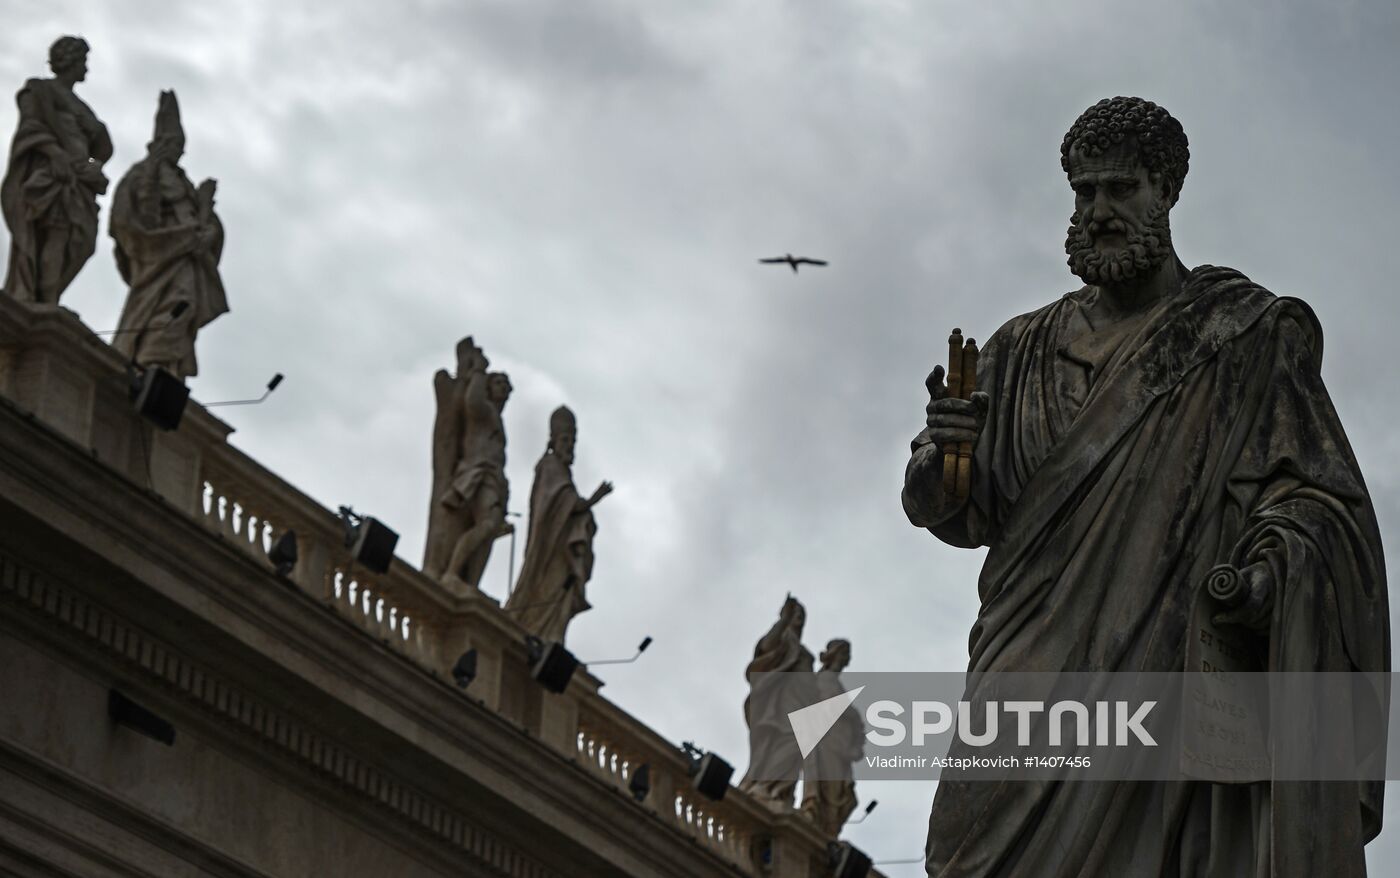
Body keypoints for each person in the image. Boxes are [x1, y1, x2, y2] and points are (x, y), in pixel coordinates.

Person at [903, 96, 1387, 876]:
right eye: (1084, 192)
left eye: (1120, 190)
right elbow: (952, 505)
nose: (1098, 212)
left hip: (1169, 657)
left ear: (1165, 191)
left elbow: (1319, 496)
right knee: (964, 853)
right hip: (1024, 663)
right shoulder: (1018, 349)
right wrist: (937, 469)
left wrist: (1274, 569)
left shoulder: (1244, 336)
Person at [109, 90, 227, 380]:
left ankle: (168, 368)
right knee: (171, 303)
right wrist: (151, 174)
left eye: (181, 146)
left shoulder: (183, 181)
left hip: (186, 254)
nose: (180, 151)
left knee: (184, 303)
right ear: (160, 143)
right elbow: (140, 218)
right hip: (161, 252)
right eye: (175, 144)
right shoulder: (143, 173)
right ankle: (151, 359)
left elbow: (203, 221)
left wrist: (207, 214)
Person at [2, 36, 111, 303]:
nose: (86, 68)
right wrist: (55, 154)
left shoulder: (82, 106)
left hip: (79, 181)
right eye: (83, 61)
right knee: (55, 233)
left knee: (82, 243)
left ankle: (47, 297)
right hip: (53, 174)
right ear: (70, 61)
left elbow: (102, 148)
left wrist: (93, 165)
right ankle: (45, 300)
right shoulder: (39, 89)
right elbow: (30, 126)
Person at [505, 405, 610, 641]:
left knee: (562, 588)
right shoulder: (550, 466)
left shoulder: (561, 470)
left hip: (561, 546)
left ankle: (551, 635)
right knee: (548, 587)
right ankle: (536, 630)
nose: (570, 446)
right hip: (550, 546)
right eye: (565, 440)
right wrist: (596, 497)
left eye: (573, 441)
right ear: (553, 441)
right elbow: (565, 503)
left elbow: (569, 506)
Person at [425, 336, 512, 594]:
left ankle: (466, 580)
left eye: (506, 385)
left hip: (492, 479)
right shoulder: (483, 409)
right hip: (476, 475)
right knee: (487, 524)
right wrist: (479, 370)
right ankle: (452, 572)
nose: (504, 388)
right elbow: (471, 401)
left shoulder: (495, 417)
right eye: (498, 383)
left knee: (490, 527)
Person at [738, 595, 816, 805]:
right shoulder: (782, 640)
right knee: (777, 743)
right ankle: (762, 785)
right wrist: (782, 621)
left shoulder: (806, 653)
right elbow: (765, 647)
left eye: (802, 616)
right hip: (778, 702)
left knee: (796, 747)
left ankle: (778, 792)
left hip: (801, 703)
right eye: (796, 614)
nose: (799, 618)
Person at [799, 638, 862, 835]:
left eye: (848, 654)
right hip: (826, 741)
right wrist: (855, 717)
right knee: (828, 788)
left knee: (840, 793)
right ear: (836, 654)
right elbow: (832, 704)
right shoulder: (824, 678)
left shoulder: (832, 681)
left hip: (838, 745)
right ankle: (822, 826)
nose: (847, 659)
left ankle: (828, 831)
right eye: (845, 653)